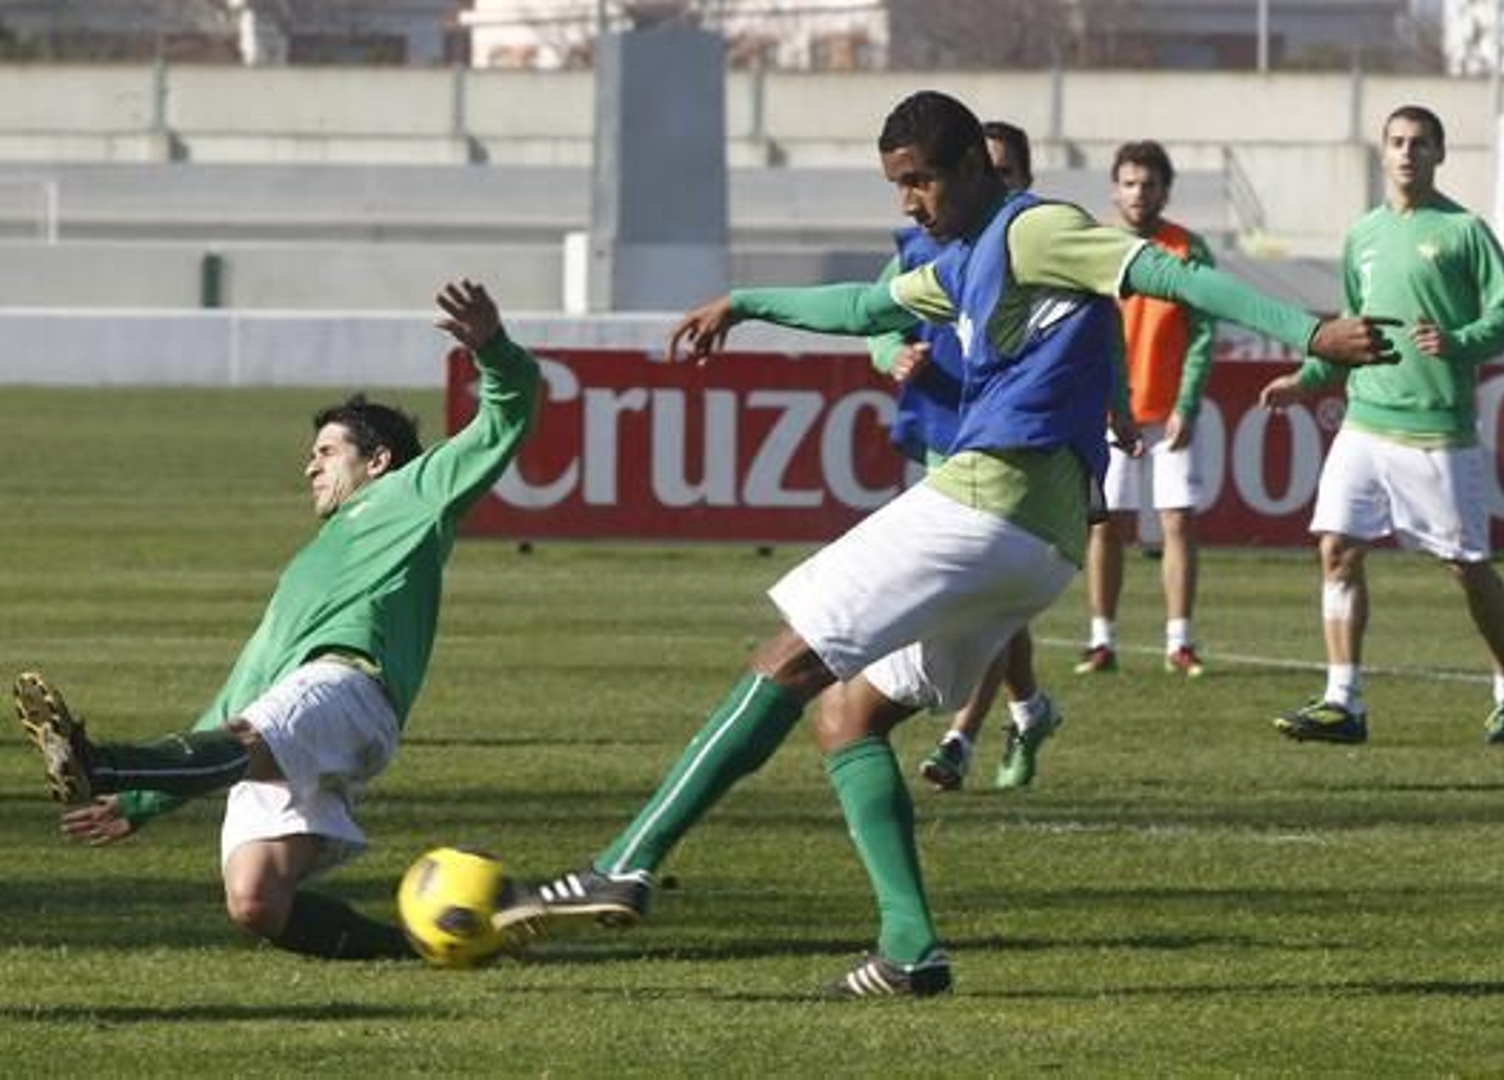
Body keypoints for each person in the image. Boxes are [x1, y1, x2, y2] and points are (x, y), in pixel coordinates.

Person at [493, 90, 1397, 999]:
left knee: (787, 656)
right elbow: (865, 305)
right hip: (1039, 547)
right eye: (898, 186)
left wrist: (1308, 330)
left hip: (985, 502)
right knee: (848, 716)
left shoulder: (1032, 229)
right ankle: (909, 946)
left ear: (974, 167)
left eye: (920, 180)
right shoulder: (964, 262)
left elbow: (1173, 279)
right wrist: (745, 301)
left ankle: (627, 860)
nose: (909, 202)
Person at [13, 279, 542, 959]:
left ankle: (98, 762)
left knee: (248, 738)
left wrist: (492, 349)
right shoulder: (311, 565)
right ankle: (421, 949)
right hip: (295, 710)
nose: (309, 466)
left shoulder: (416, 492)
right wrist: (147, 805)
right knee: (256, 902)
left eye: (326, 452)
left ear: (377, 460)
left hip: (350, 690)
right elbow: (243, 691)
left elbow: (509, 414)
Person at [1260, 104, 1504, 746]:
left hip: (1437, 431)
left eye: (1420, 143)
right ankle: (1343, 702)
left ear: (1439, 154)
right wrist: (1304, 380)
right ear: (1382, 152)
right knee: (1336, 549)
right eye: (1397, 142)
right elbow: (1351, 330)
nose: (1407, 152)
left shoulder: (1465, 231)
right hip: (1364, 422)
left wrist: (1461, 340)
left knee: (1467, 567)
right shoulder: (1363, 235)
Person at [868, 118, 1072, 793]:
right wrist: (892, 353)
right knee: (989, 608)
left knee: (983, 601)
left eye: (1008, 171)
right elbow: (873, 317)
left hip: (1014, 449)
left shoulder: (1038, 246)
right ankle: (1029, 708)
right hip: (945, 435)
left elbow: (1089, 333)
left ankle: (959, 738)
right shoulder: (925, 249)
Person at [1075, 140, 1215, 678]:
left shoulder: (1187, 249)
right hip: (1111, 411)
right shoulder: (1097, 247)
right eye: (1130, 183)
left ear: (1165, 190)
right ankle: (1101, 639)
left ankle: (1179, 640)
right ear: (1115, 189)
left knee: (1177, 520)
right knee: (1104, 524)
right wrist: (1100, 400)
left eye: (1149, 183)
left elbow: (1203, 333)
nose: (1139, 193)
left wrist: (1187, 401)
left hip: (1168, 412)